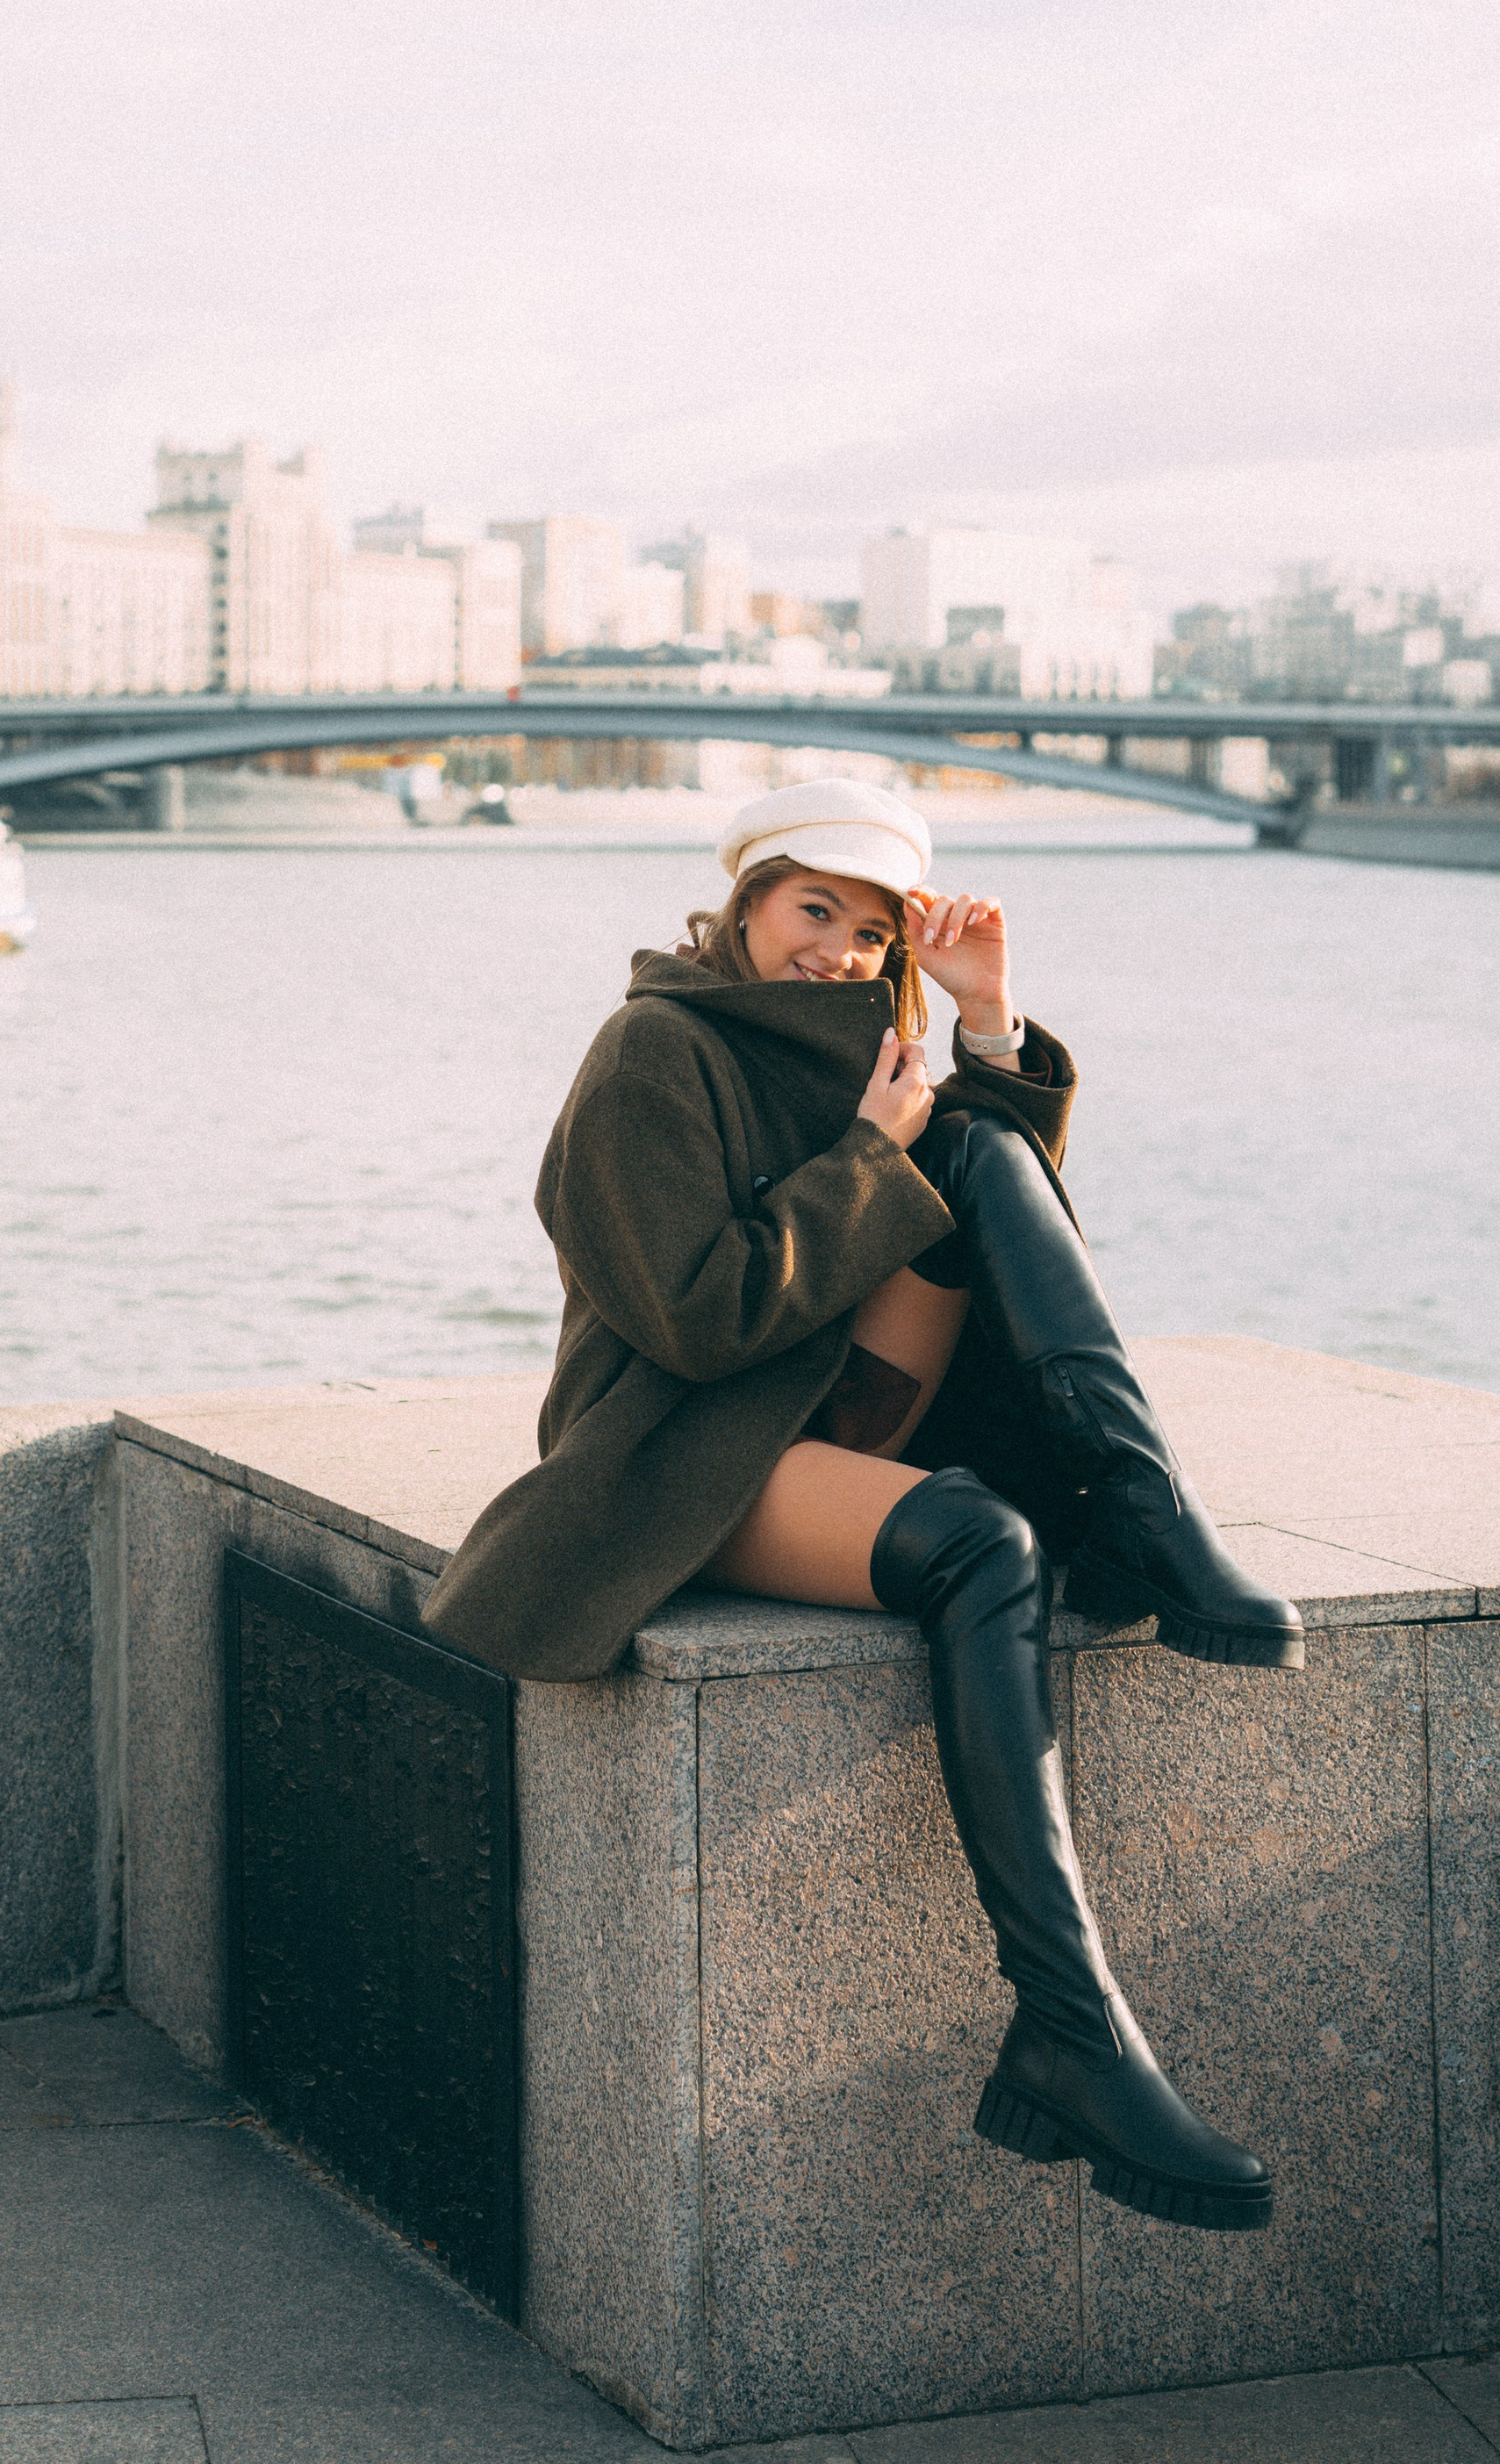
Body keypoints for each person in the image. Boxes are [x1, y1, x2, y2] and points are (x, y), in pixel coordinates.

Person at [421, 776, 1300, 2235]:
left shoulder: (878, 1053)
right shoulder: (654, 1048)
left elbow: (1006, 1244)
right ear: (745, 903)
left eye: (868, 927)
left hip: (835, 1410)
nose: (833, 947)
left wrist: (987, 1030)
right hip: (682, 1453)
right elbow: (697, 1323)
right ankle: (1071, 2028)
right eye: (810, 909)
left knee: (984, 1144)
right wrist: (871, 1154)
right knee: (983, 1544)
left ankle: (1144, 1497)